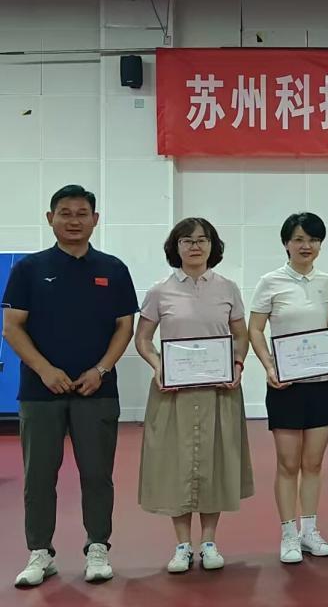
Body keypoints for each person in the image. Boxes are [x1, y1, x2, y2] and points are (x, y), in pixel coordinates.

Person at [3, 185, 137, 588]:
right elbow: (12, 327)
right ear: (51, 218)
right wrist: (44, 370)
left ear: (95, 219)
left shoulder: (114, 269)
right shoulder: (29, 269)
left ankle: (98, 548)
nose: (74, 221)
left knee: (97, 474)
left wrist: (101, 369)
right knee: (39, 476)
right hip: (39, 393)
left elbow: (125, 327)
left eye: (82, 213)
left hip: (97, 391)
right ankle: (40, 553)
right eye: (65, 213)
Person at [134, 218, 254, 573]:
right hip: (174, 391)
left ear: (213, 246)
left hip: (219, 390)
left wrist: (237, 363)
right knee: (177, 463)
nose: (195, 246)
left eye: (202, 240)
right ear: (176, 247)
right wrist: (158, 365)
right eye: (187, 240)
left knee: (215, 460)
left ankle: (210, 542)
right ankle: (183, 545)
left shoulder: (228, 288)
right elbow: (143, 339)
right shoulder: (160, 291)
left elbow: (241, 335)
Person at [248, 212, 328, 564]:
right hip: (286, 384)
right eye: (300, 239)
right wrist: (269, 366)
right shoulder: (270, 282)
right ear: (286, 243)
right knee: (288, 464)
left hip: (323, 384)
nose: (307, 246)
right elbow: (255, 329)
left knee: (313, 463)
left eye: (314, 240)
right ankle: (288, 534)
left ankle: (310, 531)